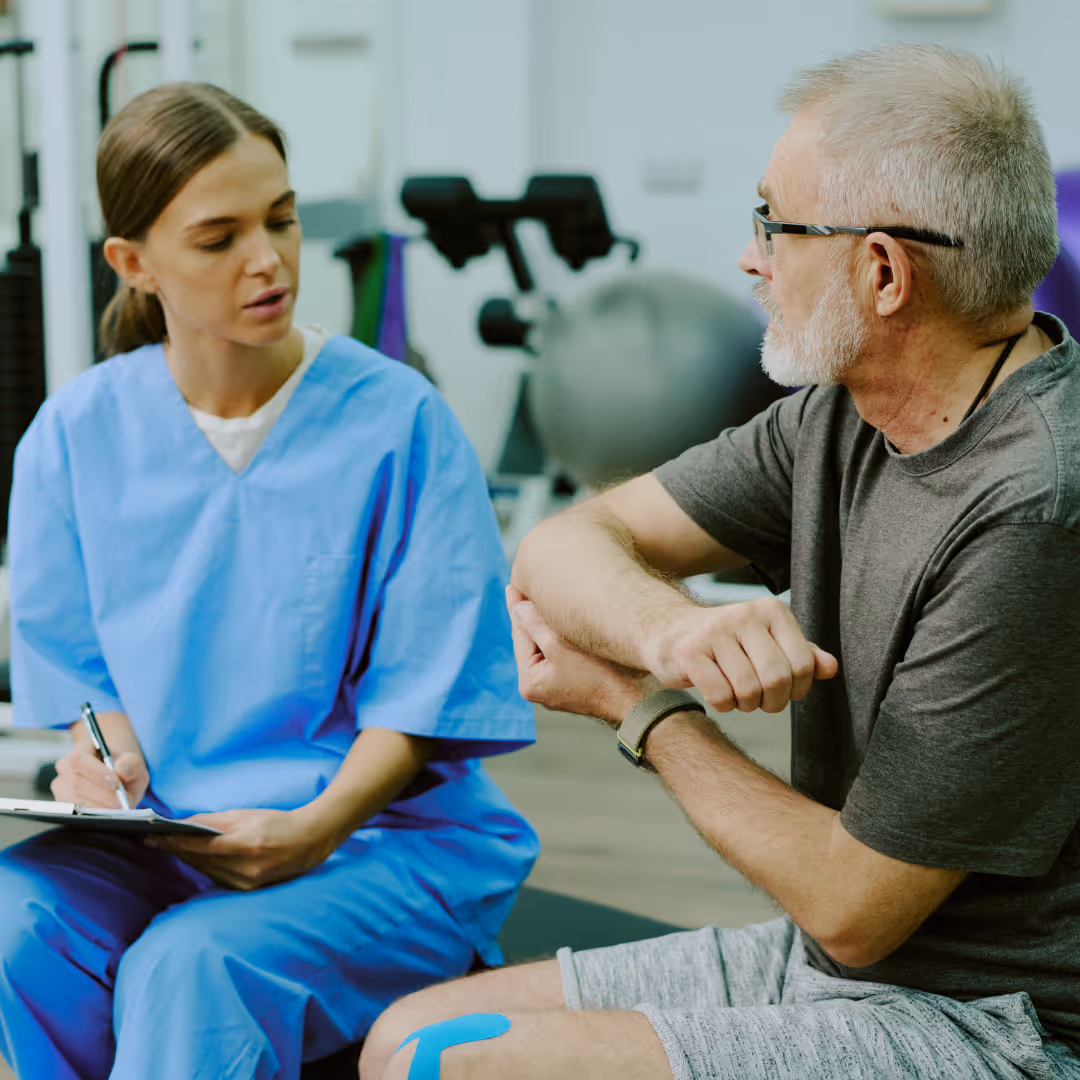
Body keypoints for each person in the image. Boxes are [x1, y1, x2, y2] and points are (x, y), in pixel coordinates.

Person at [359, 44, 1080, 1080]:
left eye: (775, 226)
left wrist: (643, 703)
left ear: (882, 271)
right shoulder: (841, 419)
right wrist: (674, 628)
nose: (752, 261)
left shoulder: (1037, 505)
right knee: (408, 1036)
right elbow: (562, 543)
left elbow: (854, 906)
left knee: (452, 1069)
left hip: (993, 1022)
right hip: (838, 965)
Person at [0, 83, 538, 1080]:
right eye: (220, 238)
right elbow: (77, 675)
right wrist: (100, 750)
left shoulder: (399, 426)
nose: (270, 259)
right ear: (134, 264)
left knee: (190, 968)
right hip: (169, 836)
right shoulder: (73, 439)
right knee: (10, 926)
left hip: (378, 841)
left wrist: (311, 829)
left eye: (282, 220)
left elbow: (426, 700)